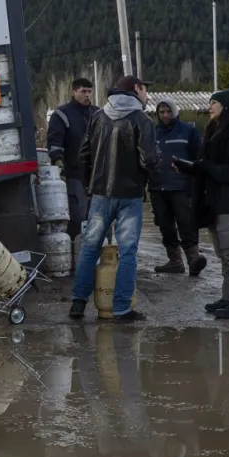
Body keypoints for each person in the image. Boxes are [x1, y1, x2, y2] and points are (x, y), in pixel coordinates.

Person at [69, 75, 160, 323]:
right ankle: (121, 309)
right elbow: (149, 159)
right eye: (145, 89)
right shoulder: (142, 120)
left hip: (100, 194)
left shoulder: (98, 116)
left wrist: (91, 184)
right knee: (127, 252)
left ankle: (78, 302)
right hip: (129, 195)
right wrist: (150, 175)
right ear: (136, 89)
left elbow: (83, 155)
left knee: (90, 247)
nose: (147, 95)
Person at [174, 89, 229, 321]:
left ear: (226, 107)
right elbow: (208, 168)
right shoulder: (213, 133)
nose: (210, 107)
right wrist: (187, 167)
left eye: (214, 103)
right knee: (224, 252)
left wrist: (205, 167)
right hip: (215, 203)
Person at [149, 98, 207, 276]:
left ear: (175, 112)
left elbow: (199, 158)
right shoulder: (153, 133)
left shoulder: (188, 131)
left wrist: (195, 180)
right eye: (162, 112)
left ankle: (193, 260)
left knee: (186, 224)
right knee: (165, 226)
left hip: (181, 187)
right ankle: (175, 261)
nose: (165, 115)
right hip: (158, 187)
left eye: (169, 112)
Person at [47, 77, 98, 241]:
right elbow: (55, 141)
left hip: (98, 175)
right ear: (74, 92)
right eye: (83, 91)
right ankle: (77, 250)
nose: (87, 95)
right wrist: (58, 163)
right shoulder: (62, 114)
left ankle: (103, 250)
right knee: (78, 216)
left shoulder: (98, 114)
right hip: (74, 174)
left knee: (99, 216)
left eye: (89, 91)